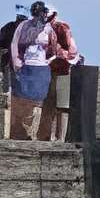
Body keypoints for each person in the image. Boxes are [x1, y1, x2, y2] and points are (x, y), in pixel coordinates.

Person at [3, 2, 56, 140]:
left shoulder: (48, 28)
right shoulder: (24, 26)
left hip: (41, 68)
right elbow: (15, 44)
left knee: (37, 101)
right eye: (36, 13)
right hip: (26, 66)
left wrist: (49, 60)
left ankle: (32, 133)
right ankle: (22, 133)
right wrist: (17, 63)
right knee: (24, 100)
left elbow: (54, 48)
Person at [37, 13, 81, 143]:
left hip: (62, 70)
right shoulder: (47, 29)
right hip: (51, 70)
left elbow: (71, 50)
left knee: (61, 105)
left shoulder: (62, 28)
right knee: (51, 104)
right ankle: (48, 136)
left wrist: (60, 53)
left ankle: (59, 137)